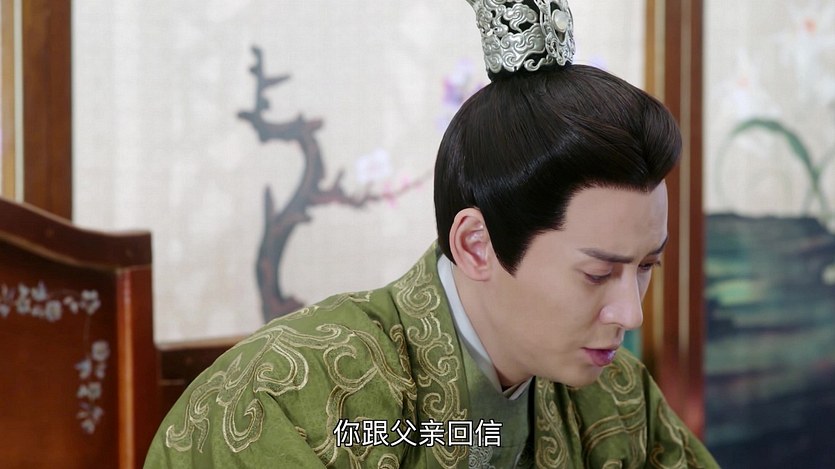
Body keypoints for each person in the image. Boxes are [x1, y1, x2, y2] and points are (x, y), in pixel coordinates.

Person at [145, 0, 719, 467]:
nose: (631, 313)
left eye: (646, 268)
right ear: (476, 245)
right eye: (597, 273)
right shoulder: (300, 398)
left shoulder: (617, 398)